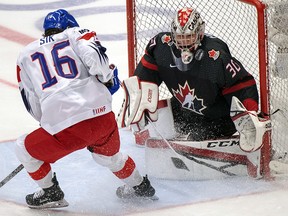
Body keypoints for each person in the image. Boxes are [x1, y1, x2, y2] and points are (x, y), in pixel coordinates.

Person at [15, 9, 156, 209]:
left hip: (64, 127)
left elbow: (31, 102)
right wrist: (106, 78)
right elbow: (95, 58)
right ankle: (141, 187)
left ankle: (50, 192)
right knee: (108, 156)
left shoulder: (24, 55)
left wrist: (51, 122)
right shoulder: (76, 33)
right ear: (69, 25)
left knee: (23, 147)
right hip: (102, 120)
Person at [118, 7, 271, 154]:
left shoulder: (215, 55)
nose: (184, 42)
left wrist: (249, 113)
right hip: (185, 109)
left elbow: (242, 84)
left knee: (198, 136)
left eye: (189, 36)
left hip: (217, 117)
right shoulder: (161, 46)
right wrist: (138, 91)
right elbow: (146, 73)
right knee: (148, 126)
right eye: (180, 37)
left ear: (200, 33)